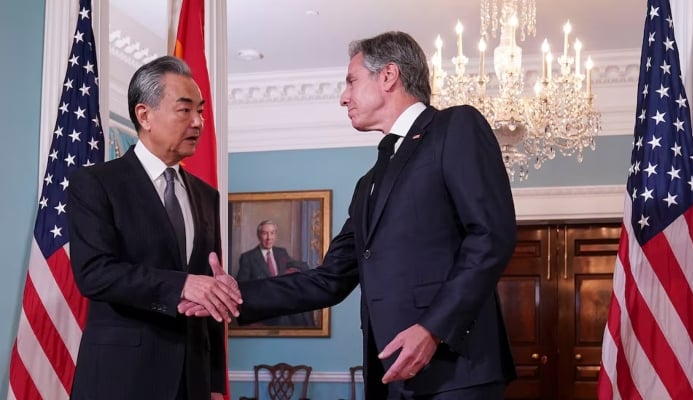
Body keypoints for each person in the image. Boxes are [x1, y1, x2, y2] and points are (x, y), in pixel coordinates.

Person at [190, 31, 517, 399]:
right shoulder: (369, 183)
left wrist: (432, 328)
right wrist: (235, 295)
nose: (344, 96)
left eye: (351, 81)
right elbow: (329, 279)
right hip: (391, 377)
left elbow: (492, 235)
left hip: (457, 372)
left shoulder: (455, 127)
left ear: (389, 75)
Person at [67, 56, 241, 400]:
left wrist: (217, 384)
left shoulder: (207, 196)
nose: (199, 123)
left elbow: (212, 292)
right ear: (144, 115)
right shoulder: (96, 183)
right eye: (185, 110)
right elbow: (94, 273)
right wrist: (183, 285)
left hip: (193, 383)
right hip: (122, 379)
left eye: (201, 111)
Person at [236, 220, 315, 327]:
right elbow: (241, 285)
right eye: (265, 233)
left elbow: (302, 265)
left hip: (282, 298)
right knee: (283, 318)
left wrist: (294, 271)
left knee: (304, 310)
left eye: (272, 233)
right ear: (259, 236)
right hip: (264, 303)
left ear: (275, 235)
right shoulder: (248, 257)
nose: (269, 238)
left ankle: (308, 336)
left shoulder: (281, 252)